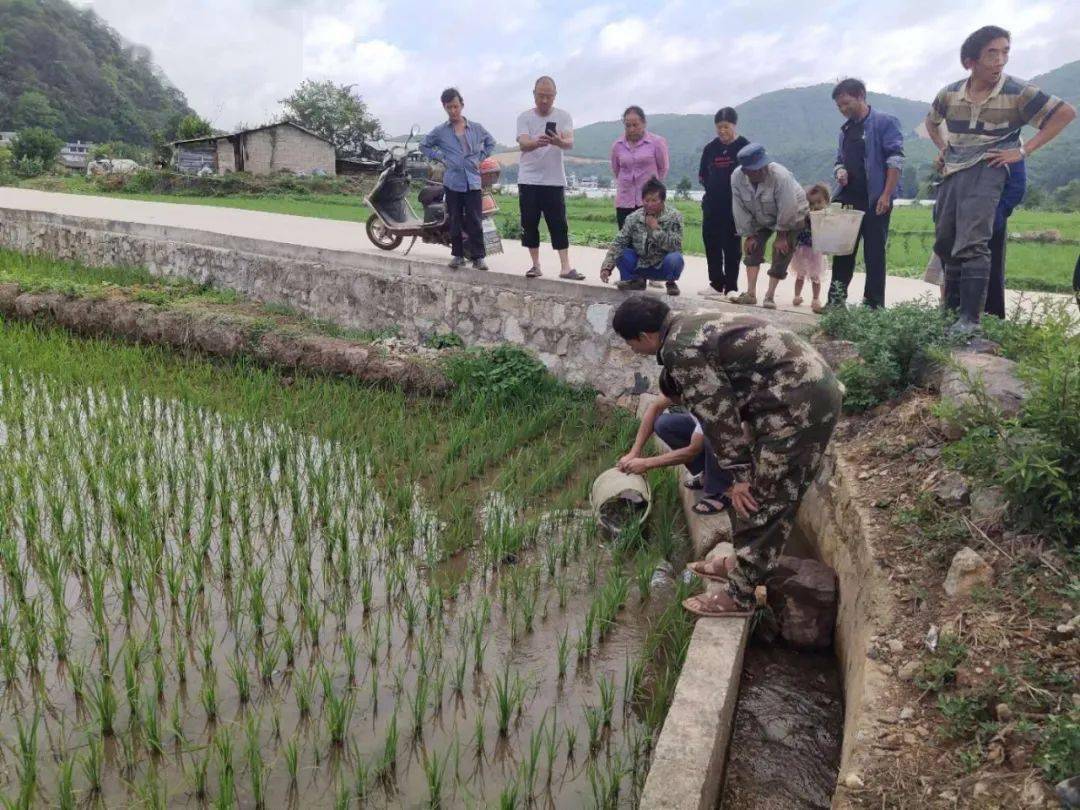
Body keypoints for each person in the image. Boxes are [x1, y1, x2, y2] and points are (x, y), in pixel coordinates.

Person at [611, 296, 843, 617]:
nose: (633, 350)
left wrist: (739, 477)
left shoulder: (680, 351)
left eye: (630, 344)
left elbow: (717, 416)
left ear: (644, 337)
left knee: (761, 498)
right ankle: (742, 561)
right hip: (794, 392)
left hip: (797, 402)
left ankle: (739, 595)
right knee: (759, 491)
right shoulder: (687, 324)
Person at [925, 25, 1075, 336]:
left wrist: (1023, 151)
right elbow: (931, 121)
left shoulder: (1018, 91)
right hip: (954, 172)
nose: (1000, 60)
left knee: (973, 244)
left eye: (1005, 51)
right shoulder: (950, 92)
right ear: (970, 61)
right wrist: (943, 149)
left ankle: (971, 321)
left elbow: (1064, 113)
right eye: (992, 53)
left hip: (990, 170)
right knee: (945, 242)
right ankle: (950, 314)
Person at [827, 78, 905, 310]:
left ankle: (873, 306)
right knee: (842, 253)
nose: (843, 109)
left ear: (861, 96)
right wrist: (840, 171)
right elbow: (839, 161)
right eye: (839, 106)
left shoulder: (884, 122)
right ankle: (835, 303)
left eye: (846, 103)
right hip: (848, 199)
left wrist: (886, 195)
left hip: (875, 200)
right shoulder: (845, 130)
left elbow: (896, 159)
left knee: (874, 254)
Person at [617, 368, 733, 515]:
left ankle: (724, 489)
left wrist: (646, 463)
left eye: (674, 399)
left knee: (712, 436)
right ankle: (707, 473)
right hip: (705, 425)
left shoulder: (708, 401)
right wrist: (634, 452)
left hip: (734, 437)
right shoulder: (683, 378)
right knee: (663, 424)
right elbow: (655, 407)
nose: (673, 402)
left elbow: (693, 450)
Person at [419, 88, 496, 271]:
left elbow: (490, 142)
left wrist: (480, 157)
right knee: (454, 219)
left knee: (475, 220)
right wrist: (440, 157)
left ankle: (478, 258)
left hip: (473, 181)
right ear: (444, 108)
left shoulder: (476, 128)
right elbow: (424, 146)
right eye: (449, 107)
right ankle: (457, 255)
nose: (453, 111)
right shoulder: (440, 131)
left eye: (455, 106)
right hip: (452, 181)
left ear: (462, 105)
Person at [517, 76, 584, 281]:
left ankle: (565, 267)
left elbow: (570, 142)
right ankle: (535, 265)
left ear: (555, 96)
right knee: (529, 222)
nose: (544, 100)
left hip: (554, 179)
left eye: (549, 96)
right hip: (528, 179)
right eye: (541, 96)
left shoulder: (563, 116)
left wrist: (558, 141)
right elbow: (523, 143)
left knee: (558, 223)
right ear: (534, 95)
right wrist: (537, 142)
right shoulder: (524, 117)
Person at [729, 143, 809, 309]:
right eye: (756, 169)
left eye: (763, 166)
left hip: (794, 212)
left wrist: (781, 236)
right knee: (752, 247)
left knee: (782, 250)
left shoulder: (781, 176)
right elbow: (739, 207)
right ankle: (750, 294)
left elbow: (788, 207)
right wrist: (749, 235)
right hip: (761, 213)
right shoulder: (736, 177)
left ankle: (770, 296)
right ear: (745, 171)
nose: (762, 171)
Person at [600, 178, 683, 296]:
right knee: (622, 253)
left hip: (662, 264)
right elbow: (619, 242)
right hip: (641, 263)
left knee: (676, 258)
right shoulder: (633, 217)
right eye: (646, 200)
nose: (650, 204)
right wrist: (607, 267)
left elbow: (675, 245)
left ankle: (670, 283)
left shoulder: (674, 217)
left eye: (654, 200)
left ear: (663, 200)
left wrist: (656, 230)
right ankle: (635, 281)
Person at [699, 107, 750, 297]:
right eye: (719, 127)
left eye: (726, 127)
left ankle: (731, 287)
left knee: (731, 247)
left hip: (734, 206)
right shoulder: (710, 148)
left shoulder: (744, 146)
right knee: (711, 244)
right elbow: (703, 175)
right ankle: (715, 283)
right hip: (712, 205)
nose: (722, 131)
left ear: (734, 126)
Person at [611, 106, 670, 229]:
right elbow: (617, 170)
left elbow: (663, 168)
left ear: (644, 123)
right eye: (628, 125)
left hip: (649, 201)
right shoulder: (617, 145)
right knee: (626, 241)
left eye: (635, 125)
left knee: (649, 240)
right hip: (624, 201)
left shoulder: (657, 142)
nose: (631, 129)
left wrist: (653, 188)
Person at [986, 156, 1026, 318]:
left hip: (990, 219)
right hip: (957, 218)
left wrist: (998, 214)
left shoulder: (1009, 140)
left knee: (990, 276)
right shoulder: (956, 138)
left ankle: (991, 323)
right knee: (953, 277)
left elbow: (1017, 186)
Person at [791, 183, 831, 312]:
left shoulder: (827, 217)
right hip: (802, 249)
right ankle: (797, 296)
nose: (816, 206)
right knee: (800, 275)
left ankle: (815, 298)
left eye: (819, 202)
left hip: (816, 252)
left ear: (827, 201)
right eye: (812, 204)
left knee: (815, 277)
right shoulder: (806, 216)